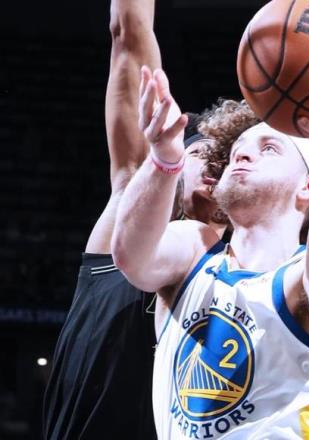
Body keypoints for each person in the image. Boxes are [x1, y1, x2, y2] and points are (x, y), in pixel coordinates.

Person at [112, 62, 309, 439]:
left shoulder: (301, 279)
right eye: (237, 152)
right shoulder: (195, 249)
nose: (242, 156)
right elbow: (131, 256)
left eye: (269, 148)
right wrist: (163, 157)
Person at [41, 1, 229, 438]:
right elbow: (128, 36)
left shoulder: (245, 268)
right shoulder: (127, 208)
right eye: (201, 153)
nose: (214, 166)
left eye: (227, 160)